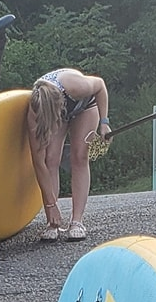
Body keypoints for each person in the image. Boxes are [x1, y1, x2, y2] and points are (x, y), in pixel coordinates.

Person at [26, 66, 110, 242]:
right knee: (50, 158)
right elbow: (38, 162)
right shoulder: (35, 108)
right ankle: (52, 222)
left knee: (79, 156)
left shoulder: (75, 86)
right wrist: (50, 205)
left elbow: (100, 85)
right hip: (54, 110)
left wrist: (104, 122)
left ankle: (77, 221)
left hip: (85, 105)